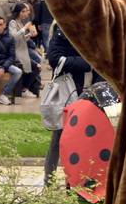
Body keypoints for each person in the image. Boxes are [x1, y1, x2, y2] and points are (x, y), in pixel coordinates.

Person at [44, 23, 102, 184]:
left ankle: (78, 181)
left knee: (86, 140)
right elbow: (54, 59)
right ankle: (49, 180)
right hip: (67, 92)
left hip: (89, 92)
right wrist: (86, 63)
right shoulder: (62, 30)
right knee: (59, 138)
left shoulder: (94, 31)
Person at [9, 1, 41, 98]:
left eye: (26, 11)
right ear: (19, 12)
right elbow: (14, 37)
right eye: (23, 11)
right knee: (36, 67)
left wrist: (29, 35)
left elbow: (20, 38)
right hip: (17, 53)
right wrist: (25, 28)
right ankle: (25, 88)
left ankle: (25, 88)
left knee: (36, 66)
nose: (25, 13)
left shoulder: (19, 22)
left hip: (22, 52)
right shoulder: (13, 22)